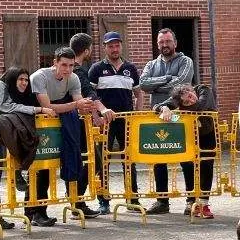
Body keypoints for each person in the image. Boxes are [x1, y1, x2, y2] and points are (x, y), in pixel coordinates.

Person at [0, 67, 56, 229]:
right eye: (20, 79)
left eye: (26, 80)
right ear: (12, 79)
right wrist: (39, 109)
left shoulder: (10, 90)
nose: (24, 83)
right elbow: (9, 108)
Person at [28, 47, 96, 226]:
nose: (68, 69)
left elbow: (79, 103)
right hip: (33, 122)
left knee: (79, 159)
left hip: (58, 124)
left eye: (71, 65)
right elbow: (47, 107)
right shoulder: (39, 77)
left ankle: (76, 201)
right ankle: (36, 213)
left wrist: (87, 106)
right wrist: (76, 105)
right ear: (55, 63)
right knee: (41, 167)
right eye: (64, 65)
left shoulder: (73, 78)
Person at [140, 28, 195, 214]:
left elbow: (182, 84)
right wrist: (167, 79)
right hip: (157, 117)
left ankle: (191, 201)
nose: (165, 45)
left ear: (175, 43)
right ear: (157, 45)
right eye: (161, 42)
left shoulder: (185, 61)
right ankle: (162, 202)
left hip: (180, 117)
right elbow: (143, 84)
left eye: (168, 41)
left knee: (186, 158)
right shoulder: (151, 64)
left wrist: (156, 87)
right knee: (158, 159)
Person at [89, 31, 143, 214]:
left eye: (117, 45)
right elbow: (90, 95)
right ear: (104, 48)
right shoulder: (96, 69)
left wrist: (137, 114)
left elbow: (139, 93)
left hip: (126, 121)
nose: (114, 49)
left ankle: (132, 198)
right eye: (110, 46)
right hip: (105, 122)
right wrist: (96, 116)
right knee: (103, 160)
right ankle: (103, 201)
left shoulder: (131, 68)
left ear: (121, 46)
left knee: (129, 160)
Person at [69, 32, 116, 218]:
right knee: (93, 161)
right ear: (87, 50)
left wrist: (95, 114)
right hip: (76, 123)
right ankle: (77, 201)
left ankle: (77, 202)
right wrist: (102, 109)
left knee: (81, 162)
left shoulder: (72, 69)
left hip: (74, 121)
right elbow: (89, 93)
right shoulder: (78, 70)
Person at [153, 83, 218, 219]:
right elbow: (156, 107)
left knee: (206, 165)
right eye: (186, 102)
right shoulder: (178, 99)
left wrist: (179, 108)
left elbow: (200, 105)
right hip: (190, 133)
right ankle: (191, 202)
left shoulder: (204, 89)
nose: (191, 100)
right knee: (188, 165)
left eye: (190, 96)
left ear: (191, 90)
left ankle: (204, 204)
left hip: (208, 132)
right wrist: (164, 108)